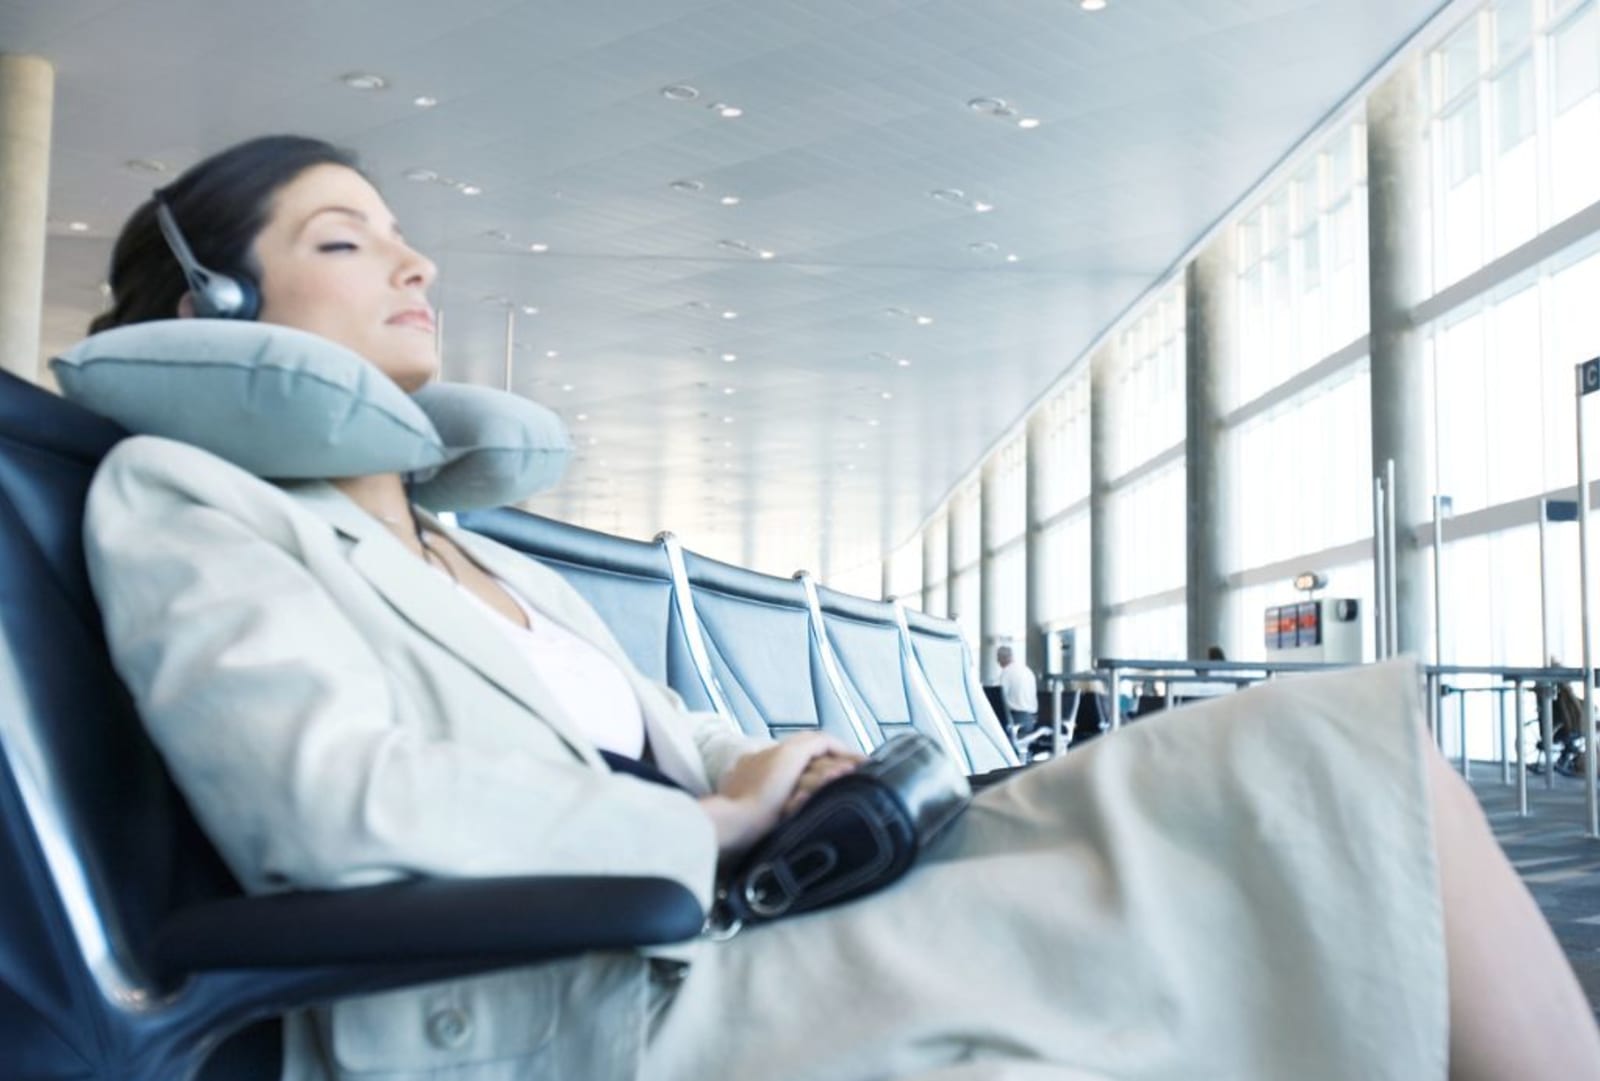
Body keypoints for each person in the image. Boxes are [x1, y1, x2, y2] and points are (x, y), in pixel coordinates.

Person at [79, 135, 1600, 1081]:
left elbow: (690, 743)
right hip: (576, 1008)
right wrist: (712, 830)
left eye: (402, 230)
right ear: (218, 311)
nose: (413, 259)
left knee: (1352, 759)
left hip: (714, 924)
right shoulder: (191, 502)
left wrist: (769, 774)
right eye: (343, 239)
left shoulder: (493, 556)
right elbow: (331, 807)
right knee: (1315, 790)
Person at [995, 644, 1039, 740]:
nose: (998, 662)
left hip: (1016, 720)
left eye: (998, 658)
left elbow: (999, 697)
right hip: (1032, 720)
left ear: (1002, 658)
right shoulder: (1027, 671)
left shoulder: (1006, 672)